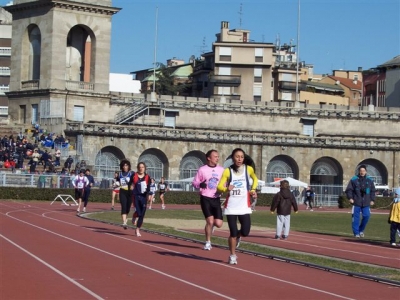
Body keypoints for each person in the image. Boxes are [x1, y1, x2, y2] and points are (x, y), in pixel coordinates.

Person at [217, 148, 258, 265]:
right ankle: (232, 255)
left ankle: (239, 236)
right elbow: (219, 187)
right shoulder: (227, 171)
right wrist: (225, 189)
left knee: (245, 231)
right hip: (231, 207)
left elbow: (255, 179)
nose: (239, 159)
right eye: (237, 156)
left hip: (244, 206)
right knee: (233, 233)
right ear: (232, 158)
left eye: (241, 157)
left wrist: (253, 190)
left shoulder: (248, 169)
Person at [192, 149, 224, 250]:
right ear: (209, 158)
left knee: (218, 224)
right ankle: (208, 242)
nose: (217, 158)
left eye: (218, 156)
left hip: (216, 198)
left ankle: (211, 227)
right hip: (205, 197)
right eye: (215, 156)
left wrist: (225, 188)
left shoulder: (221, 170)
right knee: (210, 221)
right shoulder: (202, 169)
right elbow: (194, 182)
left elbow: (225, 182)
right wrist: (199, 184)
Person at [345, 164, 376, 238]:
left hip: (366, 203)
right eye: (361, 171)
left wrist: (372, 199)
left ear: (366, 171)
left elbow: (373, 191)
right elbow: (349, 190)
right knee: (356, 218)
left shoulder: (370, 180)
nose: (362, 172)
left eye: (363, 171)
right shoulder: (354, 179)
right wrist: (350, 198)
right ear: (359, 171)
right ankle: (356, 233)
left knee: (367, 216)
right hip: (356, 202)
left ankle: (361, 230)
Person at [131, 162, 151, 237]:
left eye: (142, 167)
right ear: (138, 168)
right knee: (139, 213)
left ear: (145, 168)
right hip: (136, 196)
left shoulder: (147, 177)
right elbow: (130, 183)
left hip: (144, 197)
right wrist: (131, 187)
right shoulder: (134, 175)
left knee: (142, 215)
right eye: (140, 167)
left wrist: (148, 194)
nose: (141, 168)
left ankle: (137, 229)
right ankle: (134, 216)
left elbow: (148, 187)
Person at [116, 159, 135, 229]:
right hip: (122, 191)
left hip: (130, 192)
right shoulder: (120, 174)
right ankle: (124, 222)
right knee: (123, 206)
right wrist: (116, 184)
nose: (125, 167)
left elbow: (135, 181)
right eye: (123, 165)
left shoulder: (132, 173)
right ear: (122, 166)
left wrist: (133, 186)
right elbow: (118, 182)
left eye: (126, 165)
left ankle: (125, 219)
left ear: (128, 166)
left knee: (128, 208)